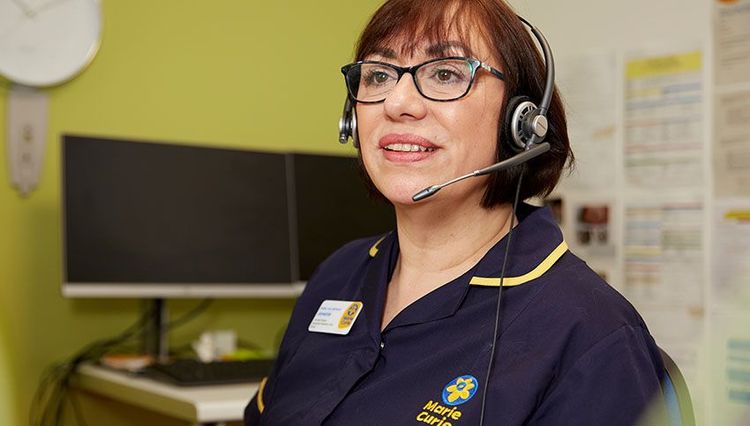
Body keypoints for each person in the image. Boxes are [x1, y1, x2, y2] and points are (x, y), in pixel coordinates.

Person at [245, 0, 666, 424]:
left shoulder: (593, 333)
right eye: (378, 75)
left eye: (445, 73)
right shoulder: (340, 273)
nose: (397, 102)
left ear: (519, 121)